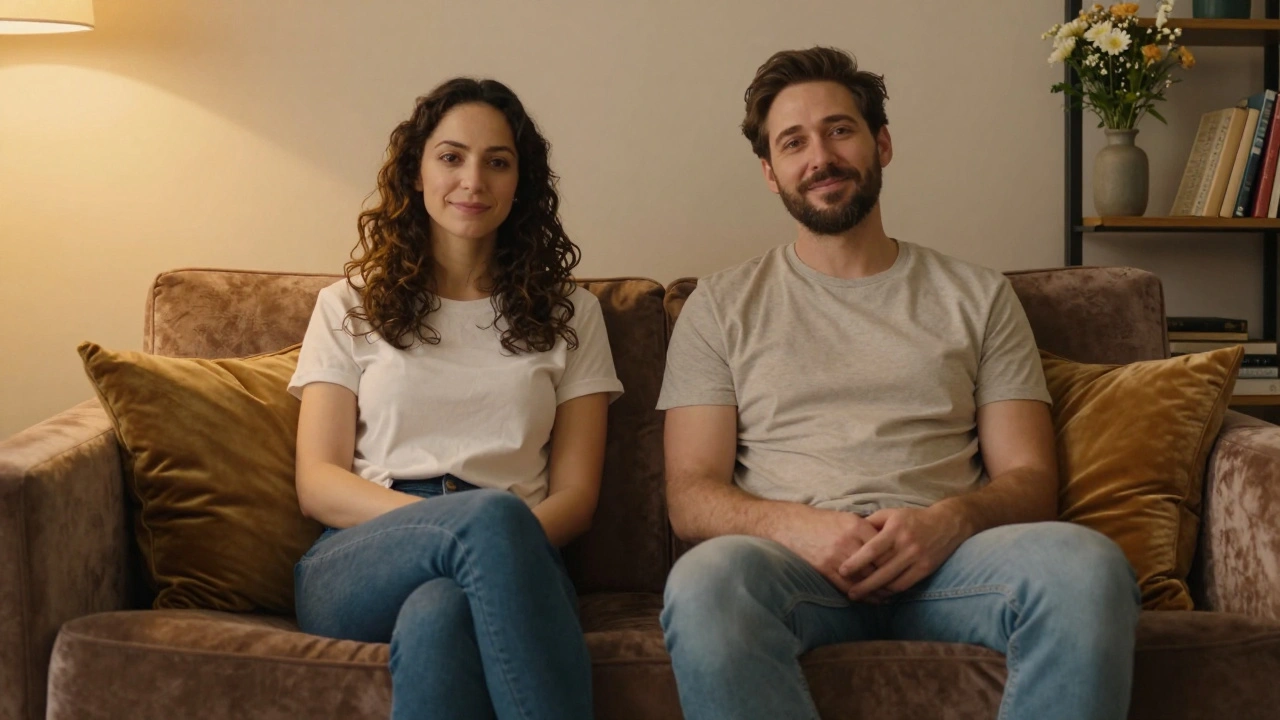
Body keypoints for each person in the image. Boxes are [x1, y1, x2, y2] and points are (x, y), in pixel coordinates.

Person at [656, 46, 1140, 720]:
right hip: (792, 572)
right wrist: (807, 531)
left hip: (954, 567)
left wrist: (947, 523)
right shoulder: (719, 305)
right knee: (704, 584)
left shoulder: (978, 295)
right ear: (770, 172)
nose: (819, 156)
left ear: (881, 143)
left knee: (1087, 569)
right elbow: (691, 495)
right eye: (793, 143)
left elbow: (1031, 477)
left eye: (840, 130)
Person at [287, 77, 623, 720]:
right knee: (489, 520)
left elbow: (576, 501)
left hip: (516, 544)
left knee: (439, 613)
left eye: (497, 162)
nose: (474, 179)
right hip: (363, 550)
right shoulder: (347, 306)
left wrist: (491, 541)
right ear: (416, 172)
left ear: (520, 182)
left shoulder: (571, 314)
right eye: (451, 157)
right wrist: (456, 527)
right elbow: (319, 482)